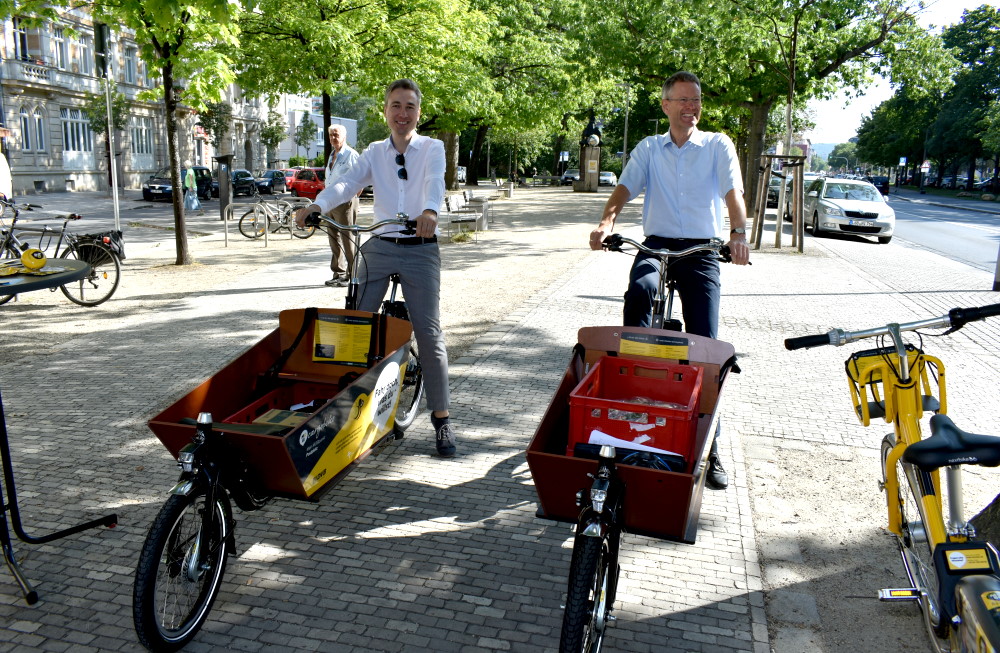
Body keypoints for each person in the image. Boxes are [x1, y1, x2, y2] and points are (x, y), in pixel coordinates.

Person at [588, 71, 750, 490]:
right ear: (665, 106)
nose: (690, 107)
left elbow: (734, 192)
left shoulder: (717, 145)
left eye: (695, 100)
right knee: (640, 291)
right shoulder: (648, 148)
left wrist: (738, 235)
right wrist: (606, 222)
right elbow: (624, 188)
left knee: (706, 343)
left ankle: (712, 447)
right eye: (682, 100)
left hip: (702, 250)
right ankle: (630, 382)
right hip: (657, 244)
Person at [295, 79, 457, 457]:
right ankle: (343, 410)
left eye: (410, 107)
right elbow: (346, 183)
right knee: (354, 321)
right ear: (385, 111)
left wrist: (431, 212)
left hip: (420, 248)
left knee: (430, 335)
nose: (403, 114)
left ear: (418, 111)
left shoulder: (433, 148)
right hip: (381, 245)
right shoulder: (373, 152)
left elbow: (435, 182)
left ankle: (442, 419)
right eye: (396, 106)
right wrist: (317, 205)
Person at [322, 124, 360, 287]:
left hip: (345, 202)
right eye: (331, 135)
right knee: (333, 238)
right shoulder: (332, 155)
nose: (333, 138)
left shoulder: (351, 154)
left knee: (347, 238)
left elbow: (361, 177)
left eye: (336, 135)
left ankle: (353, 275)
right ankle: (339, 272)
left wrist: (353, 194)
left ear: (344, 136)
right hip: (330, 202)